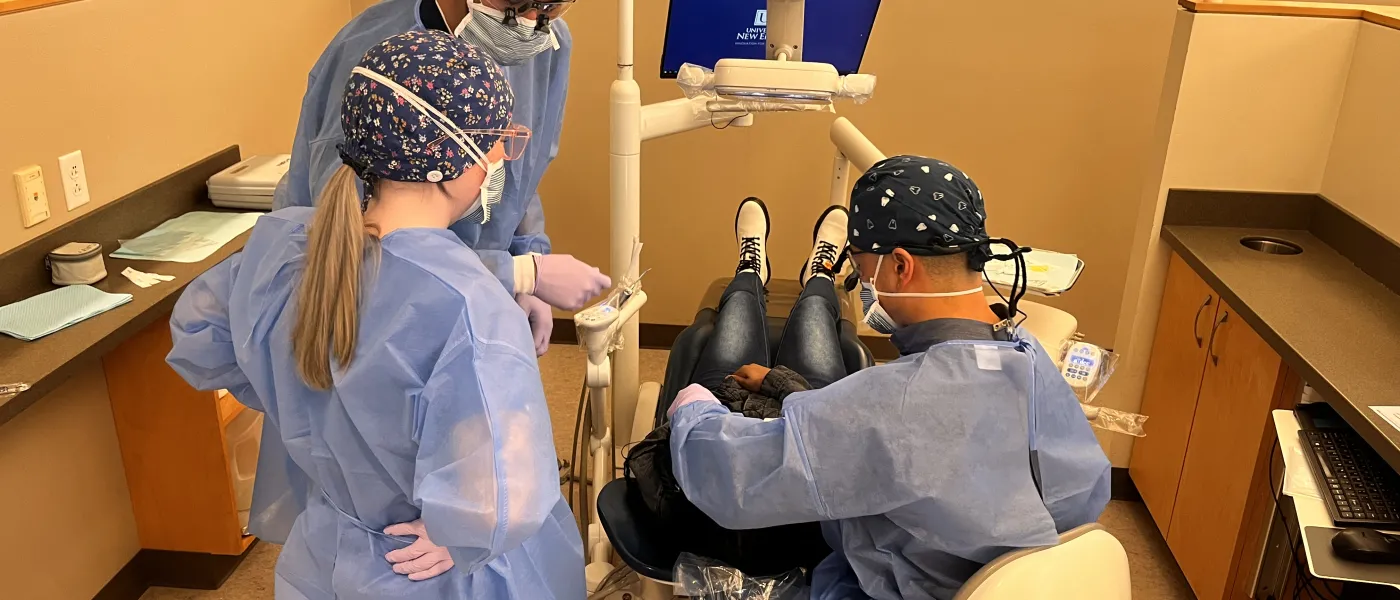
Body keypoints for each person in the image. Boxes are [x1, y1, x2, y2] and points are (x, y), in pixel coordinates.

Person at [167, 31, 583, 599]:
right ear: (447, 161)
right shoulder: (469, 307)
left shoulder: (288, 247)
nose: (496, 161)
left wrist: (308, 406)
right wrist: (459, 533)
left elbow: (201, 338)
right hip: (428, 567)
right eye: (495, 144)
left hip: (330, 549)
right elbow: (505, 493)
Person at [667, 156, 1112, 600]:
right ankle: (813, 279)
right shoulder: (1030, 355)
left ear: (900, 266)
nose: (863, 288)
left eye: (860, 271)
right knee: (816, 324)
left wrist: (691, 406)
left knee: (727, 345)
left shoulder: (892, 405)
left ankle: (758, 275)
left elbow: (729, 477)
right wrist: (807, 402)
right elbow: (1072, 495)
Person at [275, 0, 605, 351]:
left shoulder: (543, 43)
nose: (530, 20)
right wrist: (516, 272)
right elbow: (354, 244)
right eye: (518, 3)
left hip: (476, 295)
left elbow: (517, 176)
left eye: (550, 6)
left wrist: (525, 255)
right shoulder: (376, 60)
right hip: (372, 316)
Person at [624, 198, 855, 576]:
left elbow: (688, 420)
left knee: (738, 307)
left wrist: (700, 401)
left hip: (724, 404)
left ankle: (750, 269)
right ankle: (822, 272)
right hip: (806, 432)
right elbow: (829, 432)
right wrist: (778, 383)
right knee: (814, 309)